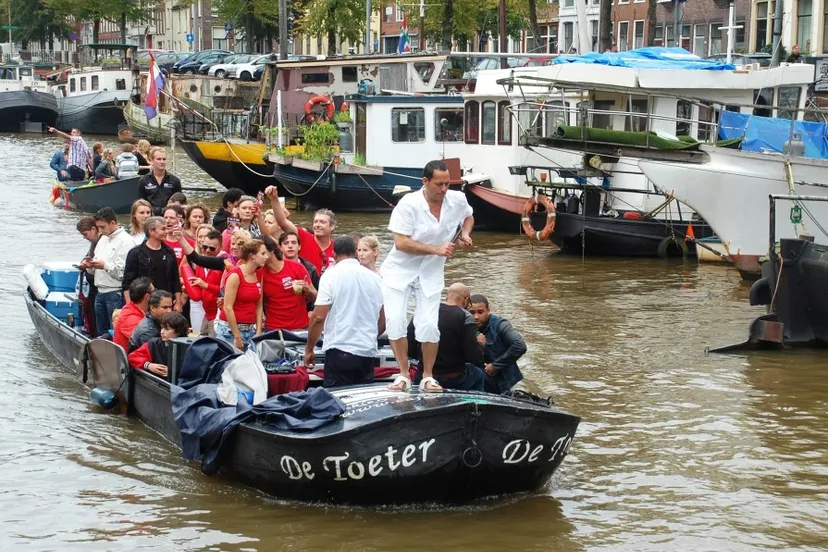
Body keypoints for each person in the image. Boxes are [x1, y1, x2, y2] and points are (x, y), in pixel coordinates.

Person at [381, 160, 474, 392]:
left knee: (430, 325)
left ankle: (428, 377)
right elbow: (401, 243)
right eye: (439, 184)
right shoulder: (409, 204)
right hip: (399, 270)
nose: (444, 189)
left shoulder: (457, 200)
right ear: (425, 182)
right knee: (395, 321)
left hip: (431, 272)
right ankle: (403, 374)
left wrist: (465, 233)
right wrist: (436, 249)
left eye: (447, 184)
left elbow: (469, 216)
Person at [305, 236, 385, 387]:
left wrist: (309, 348)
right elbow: (384, 320)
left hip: (339, 349)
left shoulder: (330, 275)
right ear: (355, 252)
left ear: (334, 254)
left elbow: (318, 317)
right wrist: (370, 336)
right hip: (367, 351)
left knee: (336, 402)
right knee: (361, 402)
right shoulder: (375, 278)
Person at [407, 283, 484, 391]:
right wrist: (480, 344)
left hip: (423, 375)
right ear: (466, 300)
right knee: (479, 374)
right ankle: (478, 405)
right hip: (454, 378)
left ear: (447, 297)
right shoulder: (466, 317)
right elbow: (473, 356)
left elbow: (408, 347)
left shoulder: (425, 312)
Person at [80, 207, 134, 335]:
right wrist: (89, 266)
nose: (100, 231)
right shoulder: (103, 239)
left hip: (115, 293)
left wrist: (104, 266)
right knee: (101, 332)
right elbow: (94, 270)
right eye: (98, 227)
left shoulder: (126, 241)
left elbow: (123, 273)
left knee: (116, 333)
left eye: (102, 227)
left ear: (113, 223)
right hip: (100, 292)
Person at [265, 185, 336, 276]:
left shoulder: (337, 247)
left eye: (322, 222)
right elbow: (282, 222)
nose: (317, 225)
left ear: (332, 226)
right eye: (315, 222)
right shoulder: (304, 237)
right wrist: (274, 199)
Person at [215, 239, 268, 349]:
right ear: (252, 256)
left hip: (250, 330)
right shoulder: (235, 275)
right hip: (229, 331)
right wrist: (237, 336)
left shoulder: (259, 275)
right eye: (263, 253)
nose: (266, 257)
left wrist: (258, 331)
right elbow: (228, 307)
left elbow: (259, 305)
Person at [469, 294, 527, 395]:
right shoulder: (465, 326)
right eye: (472, 313)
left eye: (480, 312)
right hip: (482, 381)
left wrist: (495, 366)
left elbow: (520, 345)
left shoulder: (500, 325)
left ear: (488, 311)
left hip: (506, 382)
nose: (476, 317)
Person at [123, 216, 182, 311]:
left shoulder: (169, 252)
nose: (166, 231)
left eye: (166, 228)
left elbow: (175, 279)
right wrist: (130, 306)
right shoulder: (135, 253)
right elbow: (127, 282)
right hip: (144, 304)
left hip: (166, 304)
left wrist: (178, 303)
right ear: (151, 231)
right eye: (163, 229)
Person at [261, 235, 315, 332]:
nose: (259, 256)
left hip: (301, 328)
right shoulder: (259, 273)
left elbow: (316, 298)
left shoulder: (297, 268)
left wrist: (308, 290)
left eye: (262, 252)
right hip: (273, 329)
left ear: (271, 250)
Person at [182, 230, 224, 336]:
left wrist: (206, 285)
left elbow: (227, 291)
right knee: (201, 340)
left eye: (212, 248)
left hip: (218, 314)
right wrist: (189, 287)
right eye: (205, 247)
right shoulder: (201, 263)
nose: (208, 250)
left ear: (220, 247)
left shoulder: (225, 264)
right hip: (207, 312)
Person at [127, 312, 189, 378]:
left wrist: (174, 373)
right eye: (162, 328)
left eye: (167, 329)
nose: (162, 332)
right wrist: (148, 365)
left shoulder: (188, 348)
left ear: (178, 331)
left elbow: (193, 370)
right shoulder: (153, 344)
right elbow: (132, 357)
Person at [138, 147, 182, 215]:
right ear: (152, 160)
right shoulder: (143, 181)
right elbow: (141, 203)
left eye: (164, 159)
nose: (162, 162)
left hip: (168, 216)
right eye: (159, 159)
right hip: (151, 216)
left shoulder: (175, 180)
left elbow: (179, 202)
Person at [113, 277, 154, 349]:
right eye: (154, 291)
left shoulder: (134, 309)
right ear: (147, 296)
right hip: (130, 358)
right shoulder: (130, 317)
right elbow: (145, 342)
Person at [76, 216, 99, 336]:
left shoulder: (100, 242)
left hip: (98, 286)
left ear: (94, 229)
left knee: (96, 315)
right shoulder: (94, 243)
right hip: (92, 285)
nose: (85, 237)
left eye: (85, 234)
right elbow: (89, 256)